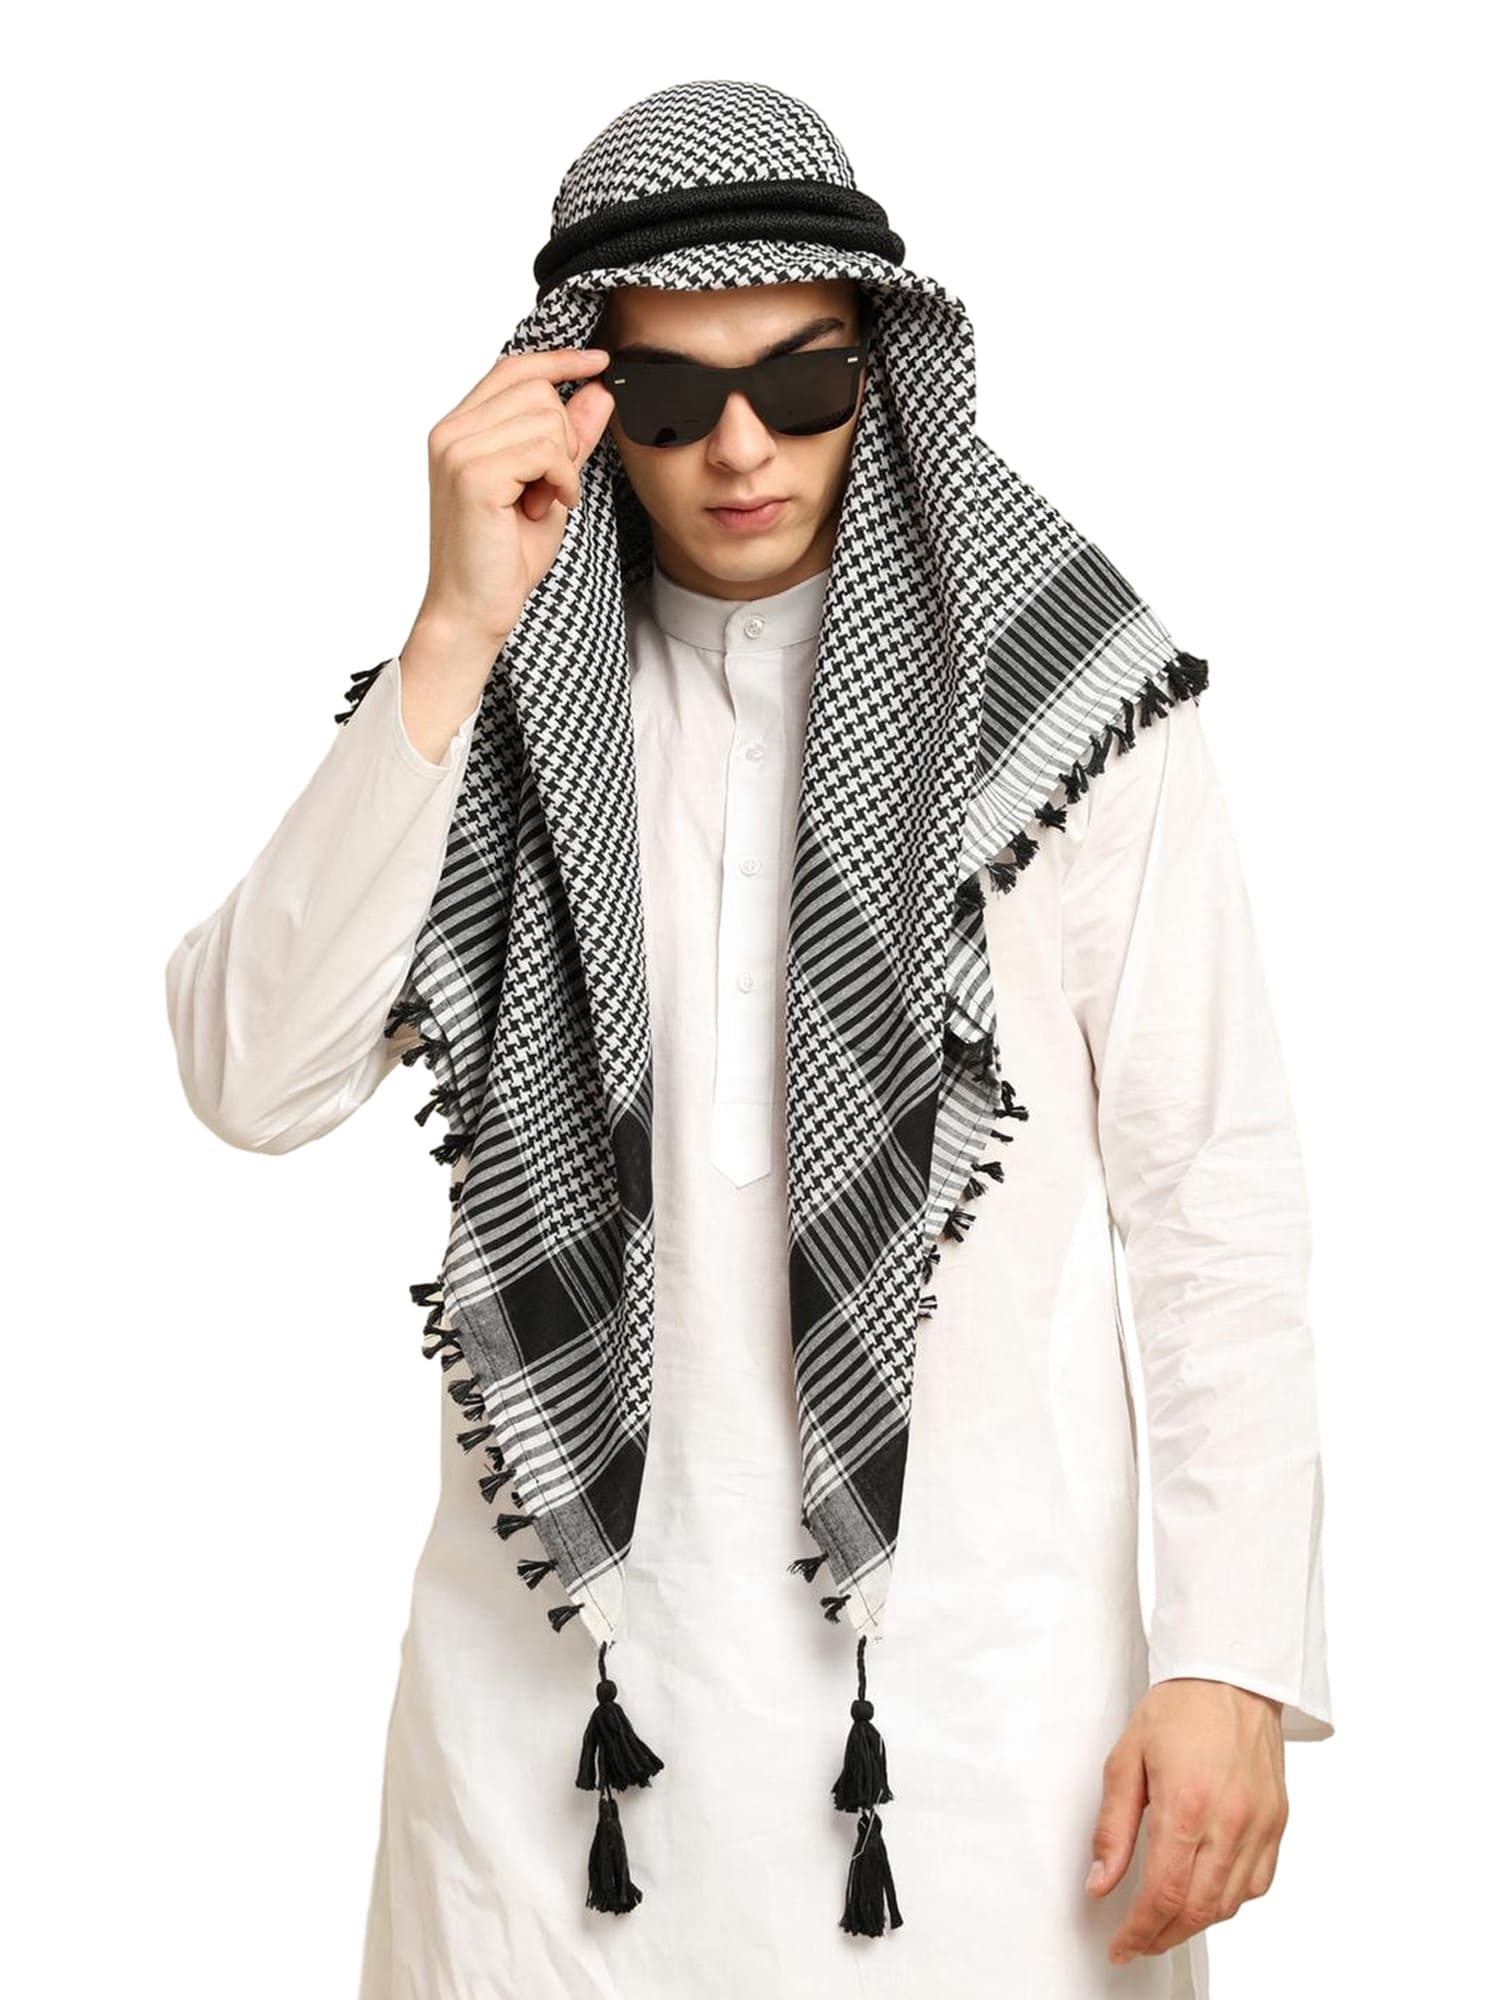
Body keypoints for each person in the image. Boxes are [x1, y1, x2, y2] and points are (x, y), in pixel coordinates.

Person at [163, 79, 1333, 2000]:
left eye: (800, 384)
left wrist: (1229, 1656)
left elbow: (1214, 1190)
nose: (739, 449)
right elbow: (248, 1073)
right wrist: (452, 628)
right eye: (668, 394)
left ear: (880, 370)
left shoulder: (1066, 707)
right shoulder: (485, 711)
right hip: (547, 1763)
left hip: (981, 1745)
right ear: (578, 396)